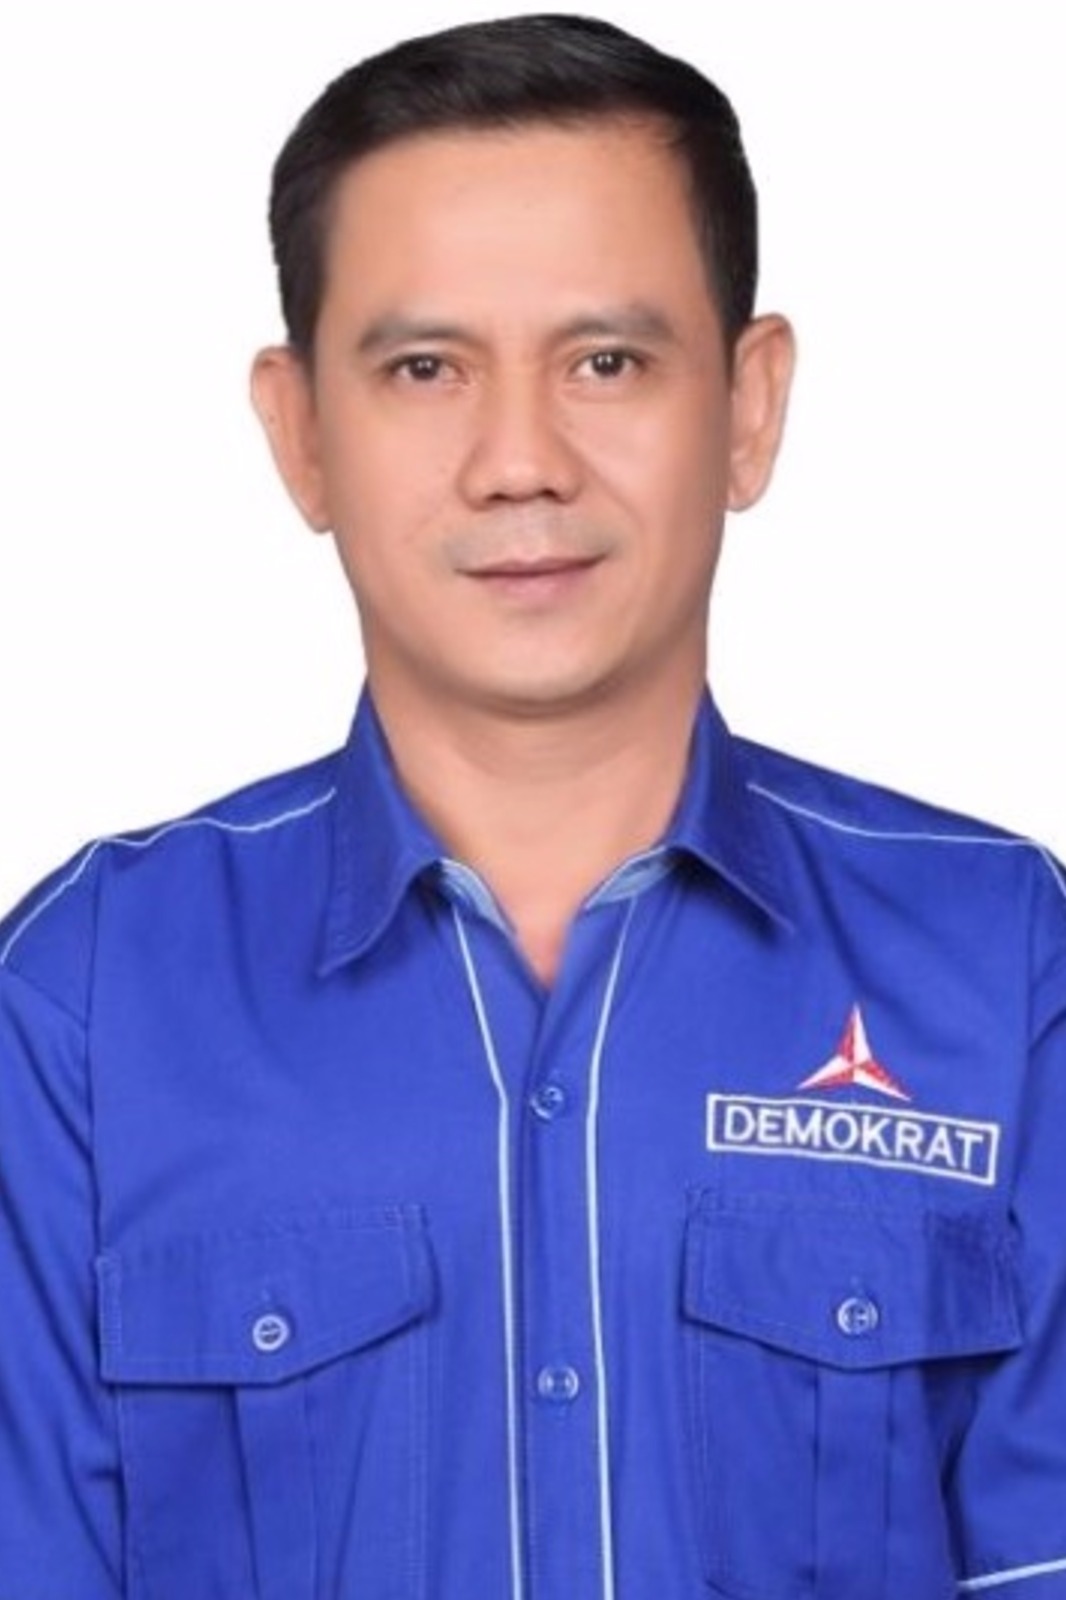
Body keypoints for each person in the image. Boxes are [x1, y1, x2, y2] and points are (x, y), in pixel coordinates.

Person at [1, 13, 1064, 1599]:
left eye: (605, 362)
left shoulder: (1000, 961)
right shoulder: (86, 999)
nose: (518, 461)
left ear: (748, 404)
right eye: (425, 369)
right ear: (301, 433)